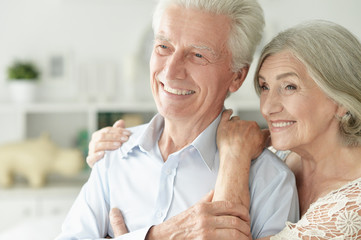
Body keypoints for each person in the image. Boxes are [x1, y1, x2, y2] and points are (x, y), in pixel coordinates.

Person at [56, 0, 299, 239]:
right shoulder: (113, 154)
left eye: (197, 55)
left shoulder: (270, 181)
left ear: (237, 76)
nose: (171, 71)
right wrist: (157, 236)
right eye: (163, 47)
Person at [215, 20, 361, 239]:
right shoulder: (271, 160)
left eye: (290, 87)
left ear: (341, 102)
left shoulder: (352, 208)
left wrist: (234, 154)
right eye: (265, 87)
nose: (267, 107)